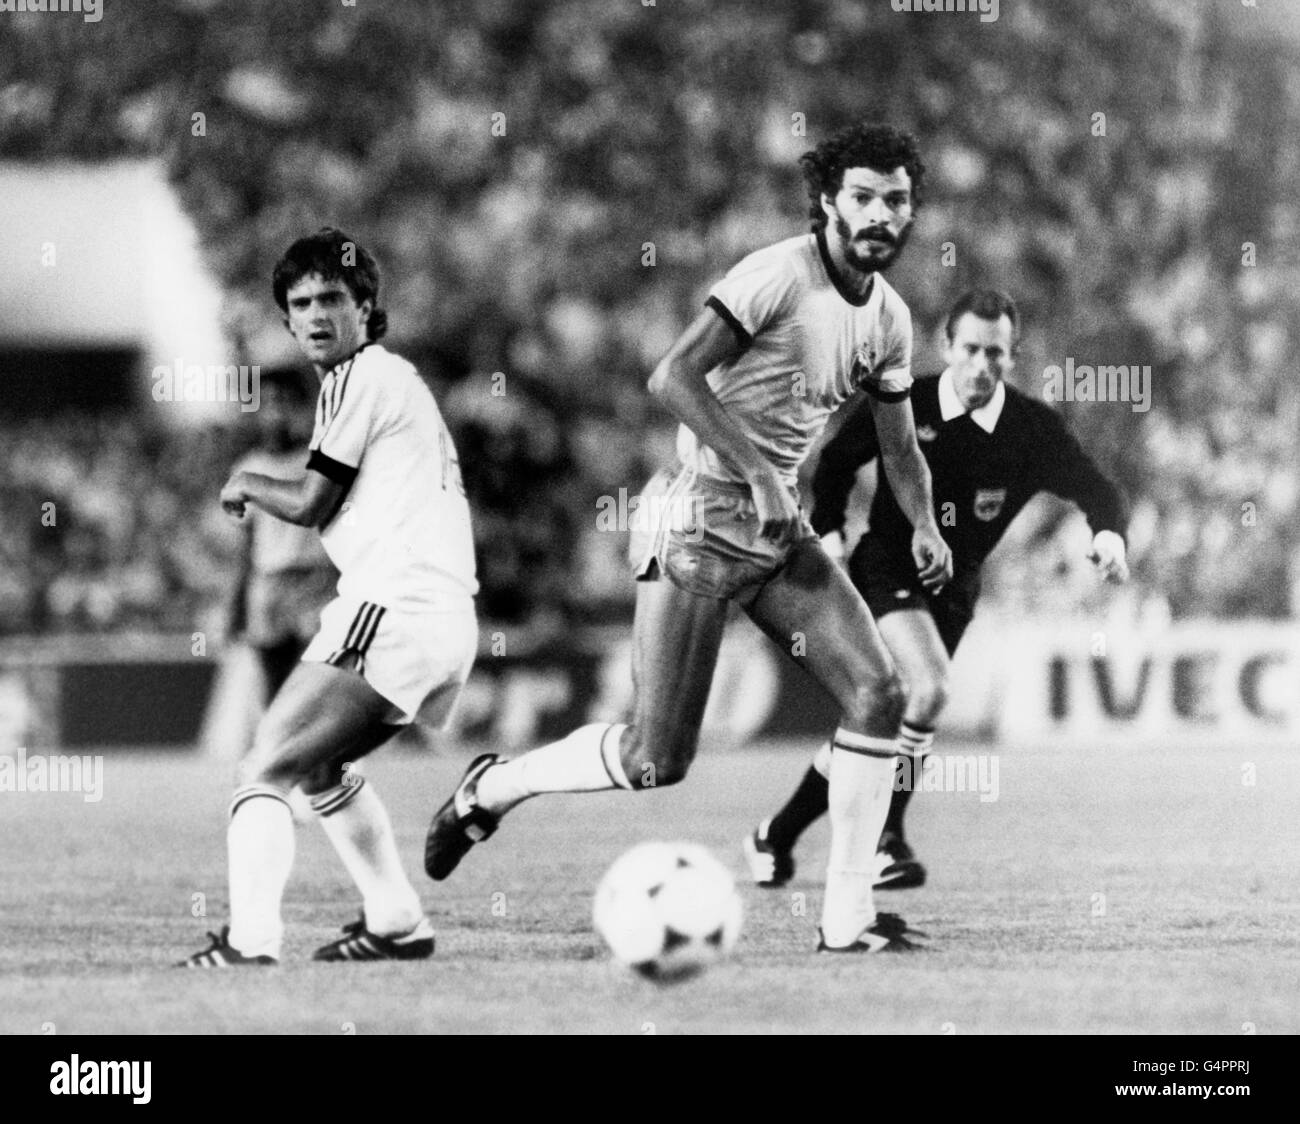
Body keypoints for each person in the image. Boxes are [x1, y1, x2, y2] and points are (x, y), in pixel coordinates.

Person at [424, 123, 953, 954]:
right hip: (699, 515)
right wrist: (762, 472)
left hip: (777, 532)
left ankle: (847, 924)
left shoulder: (889, 317)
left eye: (897, 199)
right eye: (863, 198)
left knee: (881, 695)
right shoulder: (779, 275)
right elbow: (671, 375)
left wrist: (922, 522)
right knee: (653, 760)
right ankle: (493, 786)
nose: (881, 214)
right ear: (827, 203)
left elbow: (900, 445)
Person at [744, 288, 1130, 891]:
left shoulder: (1030, 429)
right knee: (926, 691)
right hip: (885, 568)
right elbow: (836, 462)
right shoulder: (906, 402)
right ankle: (883, 840)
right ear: (946, 347)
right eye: (971, 349)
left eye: (997, 354)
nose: (983, 365)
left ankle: (778, 833)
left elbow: (1097, 489)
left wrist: (1109, 535)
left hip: (956, 589)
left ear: (1012, 356)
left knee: (879, 719)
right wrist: (831, 536)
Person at [180, 228, 479, 966]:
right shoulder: (382, 381)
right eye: (301, 303)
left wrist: (246, 482)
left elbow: (313, 502)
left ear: (366, 307)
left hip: (395, 609)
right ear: (287, 318)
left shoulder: (362, 377)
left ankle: (251, 942)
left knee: (263, 767)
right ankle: (397, 918)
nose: (316, 315)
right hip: (435, 617)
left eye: (332, 299)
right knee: (319, 769)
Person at [222, 372, 337, 705]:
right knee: (274, 684)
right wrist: (236, 604)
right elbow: (246, 544)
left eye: (287, 403)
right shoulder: (249, 466)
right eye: (269, 403)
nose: (277, 413)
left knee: (317, 680)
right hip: (269, 583)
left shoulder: (319, 462)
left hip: (315, 581)